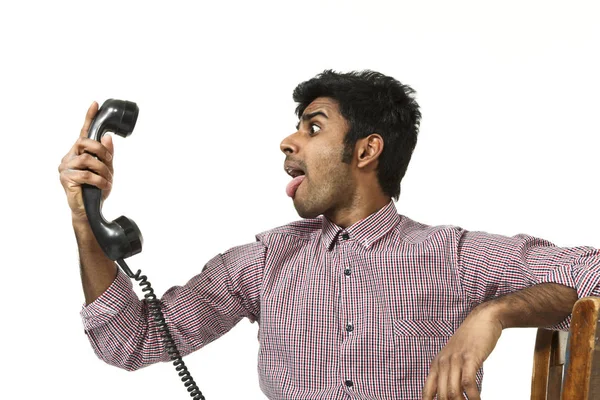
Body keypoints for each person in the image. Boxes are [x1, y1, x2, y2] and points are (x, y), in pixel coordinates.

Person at [58, 70, 600, 400]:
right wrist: (88, 222)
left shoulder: (451, 256)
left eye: (313, 127)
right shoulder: (264, 261)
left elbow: (592, 274)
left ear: (365, 151)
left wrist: (495, 312)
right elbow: (129, 341)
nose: (287, 142)